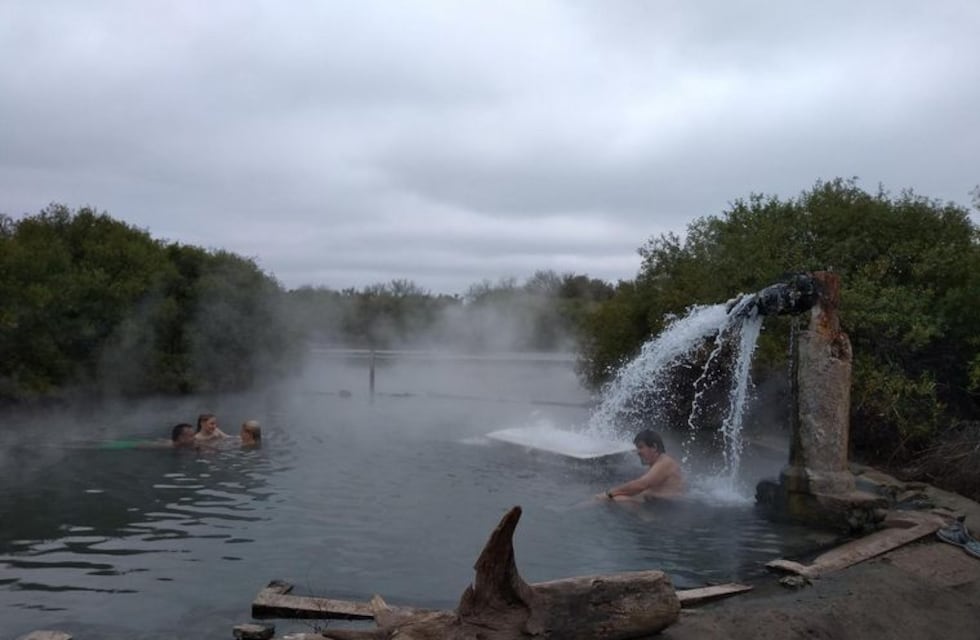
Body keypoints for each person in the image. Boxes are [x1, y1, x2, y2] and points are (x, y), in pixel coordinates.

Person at [599, 429, 685, 502]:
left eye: (641, 447)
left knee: (617, 498)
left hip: (671, 508)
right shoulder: (657, 464)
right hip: (664, 505)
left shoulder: (665, 463)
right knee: (618, 498)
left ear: (654, 447)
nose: (638, 452)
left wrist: (608, 493)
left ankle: (647, 519)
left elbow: (641, 484)